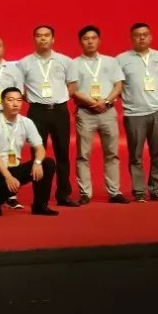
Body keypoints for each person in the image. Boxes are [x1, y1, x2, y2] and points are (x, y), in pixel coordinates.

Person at [66, 25, 129, 205]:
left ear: (99, 40)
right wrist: (91, 102)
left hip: (108, 111)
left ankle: (114, 192)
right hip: (85, 112)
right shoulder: (73, 64)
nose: (90, 41)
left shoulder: (111, 61)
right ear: (80, 42)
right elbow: (72, 89)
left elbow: (118, 85)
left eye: (93, 38)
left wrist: (106, 101)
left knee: (112, 153)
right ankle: (85, 193)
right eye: (86, 39)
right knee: (83, 155)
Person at [19, 25, 77, 207]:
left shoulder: (65, 61)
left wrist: (59, 99)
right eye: (39, 35)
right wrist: (35, 100)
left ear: (53, 39)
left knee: (63, 154)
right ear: (34, 39)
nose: (43, 38)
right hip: (37, 112)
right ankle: (40, 196)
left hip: (60, 111)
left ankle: (63, 195)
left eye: (46, 35)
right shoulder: (24, 63)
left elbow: (73, 85)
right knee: (37, 154)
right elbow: (19, 90)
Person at [117, 23, 158, 203]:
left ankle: (157, 189)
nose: (141, 37)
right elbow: (117, 85)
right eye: (137, 35)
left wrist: (155, 97)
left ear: (150, 37)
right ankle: (139, 191)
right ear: (131, 38)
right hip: (134, 113)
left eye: (145, 34)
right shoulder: (121, 59)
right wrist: (132, 98)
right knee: (136, 154)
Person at [0, 87, 59, 216]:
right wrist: (8, 177)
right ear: (2, 102)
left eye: (19, 100)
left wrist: (37, 162)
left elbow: (40, 148)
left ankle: (40, 206)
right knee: (7, 181)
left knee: (47, 163)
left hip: (14, 169)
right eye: (10, 100)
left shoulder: (26, 122)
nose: (15, 104)